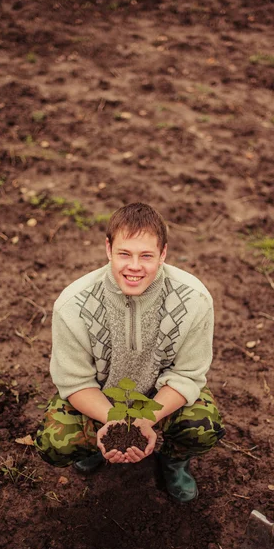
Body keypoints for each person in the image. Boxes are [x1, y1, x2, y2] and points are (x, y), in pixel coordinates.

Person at [35, 202, 225, 503]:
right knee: (56, 442)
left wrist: (145, 420)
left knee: (203, 425)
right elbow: (74, 381)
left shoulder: (195, 299)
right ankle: (92, 446)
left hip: (159, 400)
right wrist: (111, 421)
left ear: (163, 253)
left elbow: (187, 374)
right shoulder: (73, 304)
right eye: (125, 253)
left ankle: (173, 462)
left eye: (146, 256)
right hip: (101, 399)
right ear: (109, 249)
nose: (134, 266)